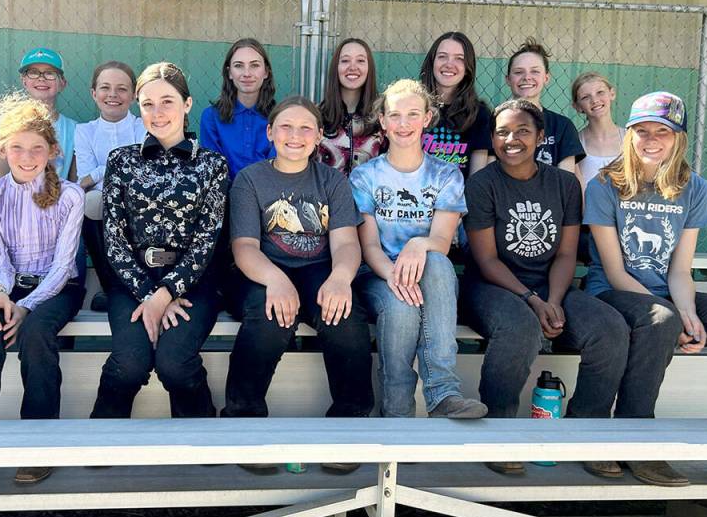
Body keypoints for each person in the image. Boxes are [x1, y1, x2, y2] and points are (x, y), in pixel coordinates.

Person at [585, 91, 707, 491]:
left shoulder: (694, 188)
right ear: (629, 134)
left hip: (668, 292)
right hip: (613, 293)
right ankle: (637, 440)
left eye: (663, 133)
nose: (652, 140)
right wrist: (674, 316)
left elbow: (681, 270)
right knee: (661, 319)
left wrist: (689, 315)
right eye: (642, 131)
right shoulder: (605, 186)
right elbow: (615, 272)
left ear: (678, 138)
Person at [463, 99, 630, 477]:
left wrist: (554, 300)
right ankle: (499, 430)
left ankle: (585, 432)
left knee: (609, 328)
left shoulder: (564, 183)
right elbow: (488, 261)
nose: (511, 139)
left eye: (522, 131)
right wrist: (533, 301)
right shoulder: (481, 185)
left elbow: (567, 252)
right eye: (502, 132)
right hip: (493, 286)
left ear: (541, 136)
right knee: (520, 327)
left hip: (551, 285)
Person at [222, 95, 374, 475]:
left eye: (306, 127)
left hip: (317, 268)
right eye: (286, 127)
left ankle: (348, 424)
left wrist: (341, 279)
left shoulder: (332, 181)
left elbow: (344, 242)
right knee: (270, 317)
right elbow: (244, 247)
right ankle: (245, 420)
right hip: (260, 269)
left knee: (345, 315)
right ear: (270, 132)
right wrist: (275, 279)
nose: (295, 135)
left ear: (319, 136)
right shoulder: (251, 179)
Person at [0, 95, 86, 497]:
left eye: (37, 149)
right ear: (3, 149)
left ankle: (38, 443)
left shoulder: (69, 195)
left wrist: (26, 308)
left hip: (59, 288)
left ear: (52, 151)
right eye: (17, 148)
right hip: (9, 284)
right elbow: (0, 263)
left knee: (37, 334)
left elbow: (63, 267)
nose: (26, 157)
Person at [92, 62, 228, 421]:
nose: (157, 112)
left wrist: (167, 293)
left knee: (174, 364)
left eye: (167, 101)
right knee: (130, 364)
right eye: (147, 103)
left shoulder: (212, 166)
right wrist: (148, 297)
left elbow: (206, 240)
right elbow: (114, 239)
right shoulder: (120, 161)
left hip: (192, 285)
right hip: (133, 283)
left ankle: (199, 441)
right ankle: (99, 440)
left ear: (187, 104)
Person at [351, 80, 485, 419]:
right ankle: (396, 412)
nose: (403, 124)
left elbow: (440, 241)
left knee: (438, 264)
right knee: (400, 308)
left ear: (427, 118)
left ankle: (442, 392)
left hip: (427, 273)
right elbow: (368, 245)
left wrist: (416, 244)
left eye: (413, 114)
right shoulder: (365, 176)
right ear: (382, 121)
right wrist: (395, 277)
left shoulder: (446, 174)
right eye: (394, 115)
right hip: (378, 273)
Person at [74, 61, 147, 312]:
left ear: (134, 95)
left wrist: (98, 173)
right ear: (94, 93)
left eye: (122, 89)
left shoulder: (144, 126)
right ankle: (112, 286)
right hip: (101, 201)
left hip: (140, 197)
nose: (113, 95)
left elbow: (140, 170)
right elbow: (85, 177)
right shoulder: (84, 132)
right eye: (105, 88)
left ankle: (140, 281)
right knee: (91, 202)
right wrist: (107, 172)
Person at [418, 31, 491, 181]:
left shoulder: (479, 114)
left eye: (459, 58)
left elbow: (476, 179)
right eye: (442, 56)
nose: (449, 64)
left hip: (457, 201)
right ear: (432, 62)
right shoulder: (414, 106)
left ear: (468, 68)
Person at [199, 38, 276, 180]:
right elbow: (213, 170)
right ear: (229, 73)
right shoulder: (211, 117)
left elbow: (277, 171)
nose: (246, 73)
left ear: (266, 72)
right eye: (238, 65)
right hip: (224, 197)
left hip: (268, 196)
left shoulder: (279, 118)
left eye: (254, 65)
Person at [505, 38, 585, 172]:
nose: (527, 77)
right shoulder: (494, 123)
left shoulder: (562, 126)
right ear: (508, 79)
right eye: (519, 72)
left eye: (535, 71)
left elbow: (565, 181)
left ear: (546, 78)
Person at [318, 38, 382, 174]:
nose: (353, 67)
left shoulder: (382, 118)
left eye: (360, 61)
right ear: (336, 67)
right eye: (345, 60)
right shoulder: (317, 116)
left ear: (369, 68)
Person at [16, 47, 79, 181]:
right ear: (24, 81)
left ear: (62, 83)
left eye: (50, 73)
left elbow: (74, 182)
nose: (41, 78)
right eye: (33, 72)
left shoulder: (74, 129)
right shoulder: (9, 125)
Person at [572, 72, 625, 192]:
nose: (595, 100)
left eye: (600, 92)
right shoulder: (575, 142)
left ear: (612, 94)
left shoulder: (630, 138)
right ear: (577, 106)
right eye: (585, 97)